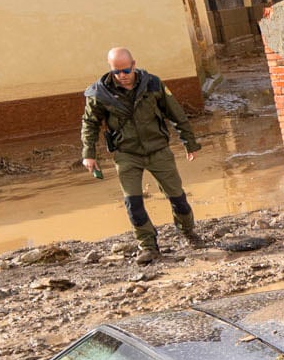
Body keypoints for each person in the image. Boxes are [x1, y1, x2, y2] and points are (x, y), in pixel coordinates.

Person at [77, 45, 203, 261]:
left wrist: (189, 143)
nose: (122, 76)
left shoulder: (153, 84)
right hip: (127, 154)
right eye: (117, 71)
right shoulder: (99, 93)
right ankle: (148, 246)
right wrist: (88, 154)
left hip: (158, 150)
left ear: (133, 65)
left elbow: (176, 114)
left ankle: (188, 232)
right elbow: (89, 123)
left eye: (126, 70)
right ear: (110, 69)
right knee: (133, 203)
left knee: (178, 198)